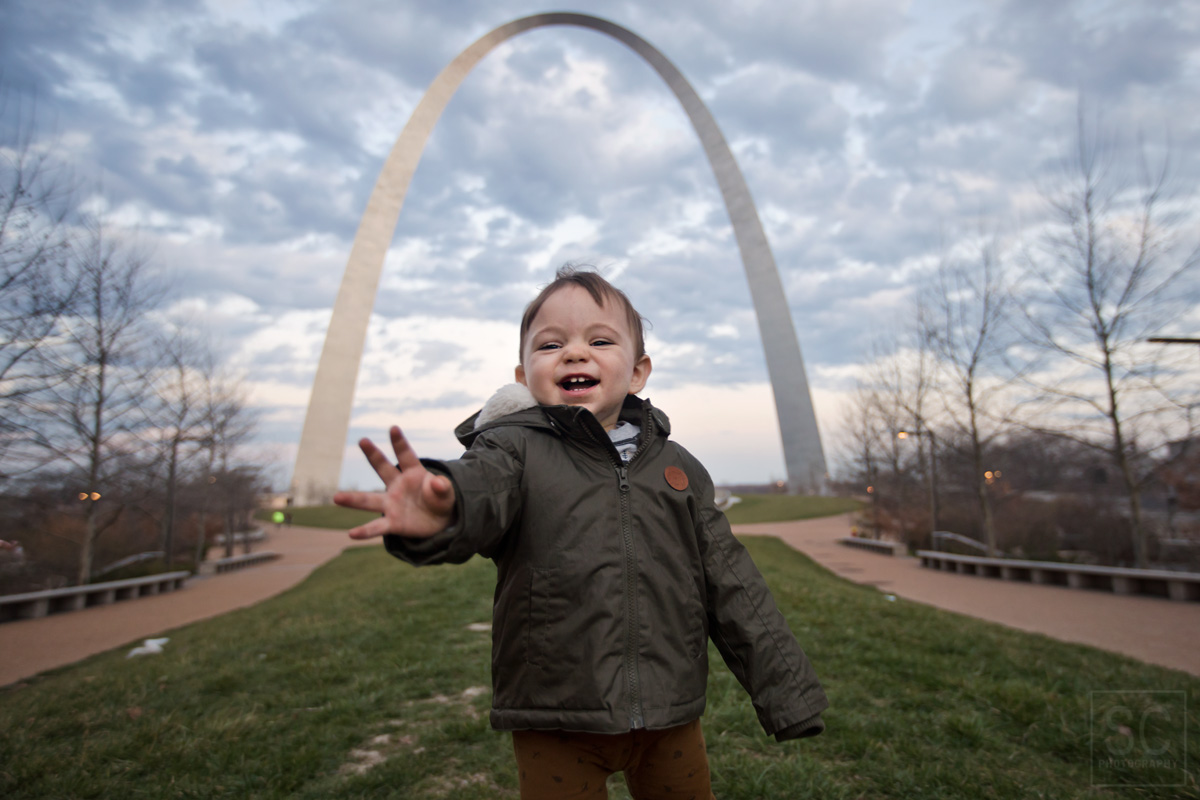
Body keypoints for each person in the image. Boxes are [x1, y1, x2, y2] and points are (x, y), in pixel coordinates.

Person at [334, 266, 827, 799]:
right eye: (550, 344)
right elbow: (482, 491)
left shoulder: (678, 469)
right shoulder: (511, 451)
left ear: (637, 372)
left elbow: (735, 586)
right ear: (523, 378)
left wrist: (789, 696)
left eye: (599, 339)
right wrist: (446, 505)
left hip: (670, 712)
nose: (574, 353)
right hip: (555, 715)